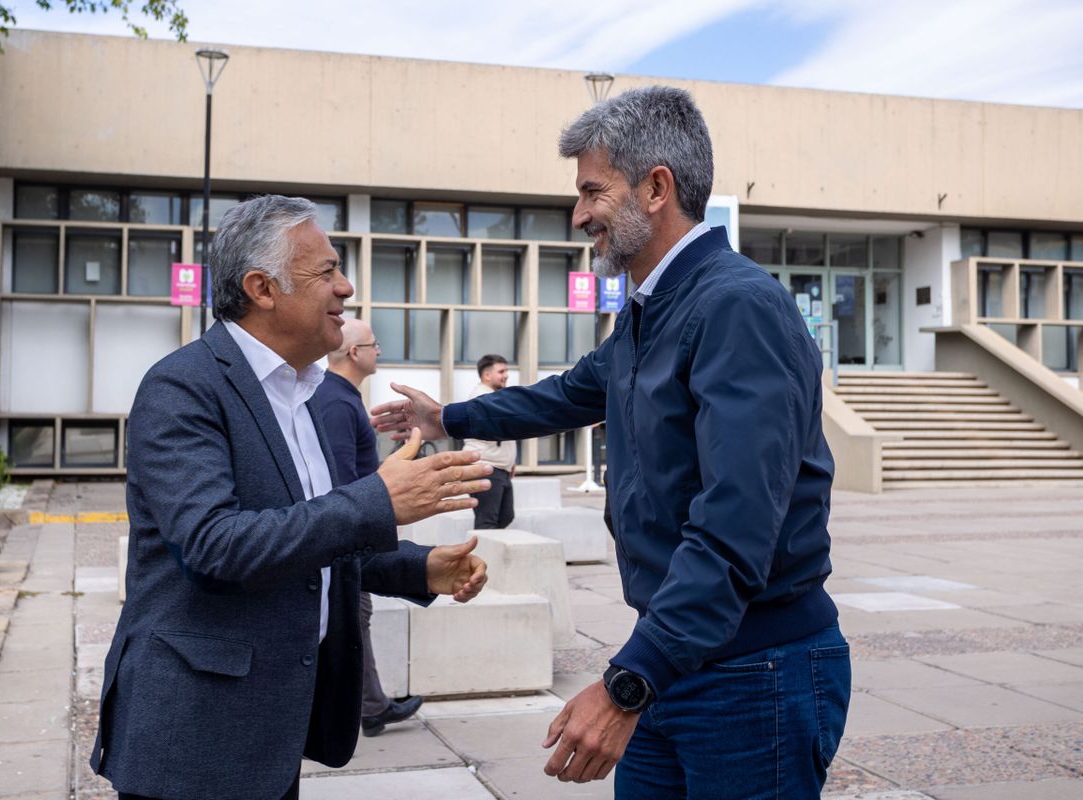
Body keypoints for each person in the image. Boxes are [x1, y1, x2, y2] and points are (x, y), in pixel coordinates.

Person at [372, 86, 850, 798]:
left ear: (657, 188)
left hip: (753, 674)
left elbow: (736, 525)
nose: (580, 214)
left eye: (593, 191)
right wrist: (451, 419)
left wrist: (628, 682)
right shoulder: (651, 312)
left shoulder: (736, 306)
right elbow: (567, 393)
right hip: (675, 660)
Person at [90, 195, 493, 800]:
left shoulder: (306, 393)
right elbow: (215, 545)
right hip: (194, 743)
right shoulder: (181, 387)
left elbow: (314, 537)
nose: (347, 288)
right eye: (327, 271)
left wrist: (418, 569)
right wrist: (377, 500)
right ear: (262, 288)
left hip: (273, 735)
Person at [313, 317, 424, 737]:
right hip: (348, 537)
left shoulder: (336, 395)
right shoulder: (339, 400)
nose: (379, 351)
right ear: (355, 353)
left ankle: (372, 705)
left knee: (354, 619)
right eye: (375, 345)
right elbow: (341, 480)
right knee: (351, 618)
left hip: (348, 534)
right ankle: (368, 707)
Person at [462, 354, 517, 529]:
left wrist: (510, 462)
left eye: (506, 370)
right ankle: (482, 556)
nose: (506, 375)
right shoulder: (482, 399)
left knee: (506, 517)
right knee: (487, 522)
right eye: (501, 371)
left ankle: (489, 554)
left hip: (499, 468)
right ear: (486, 375)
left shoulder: (495, 397)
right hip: (485, 467)